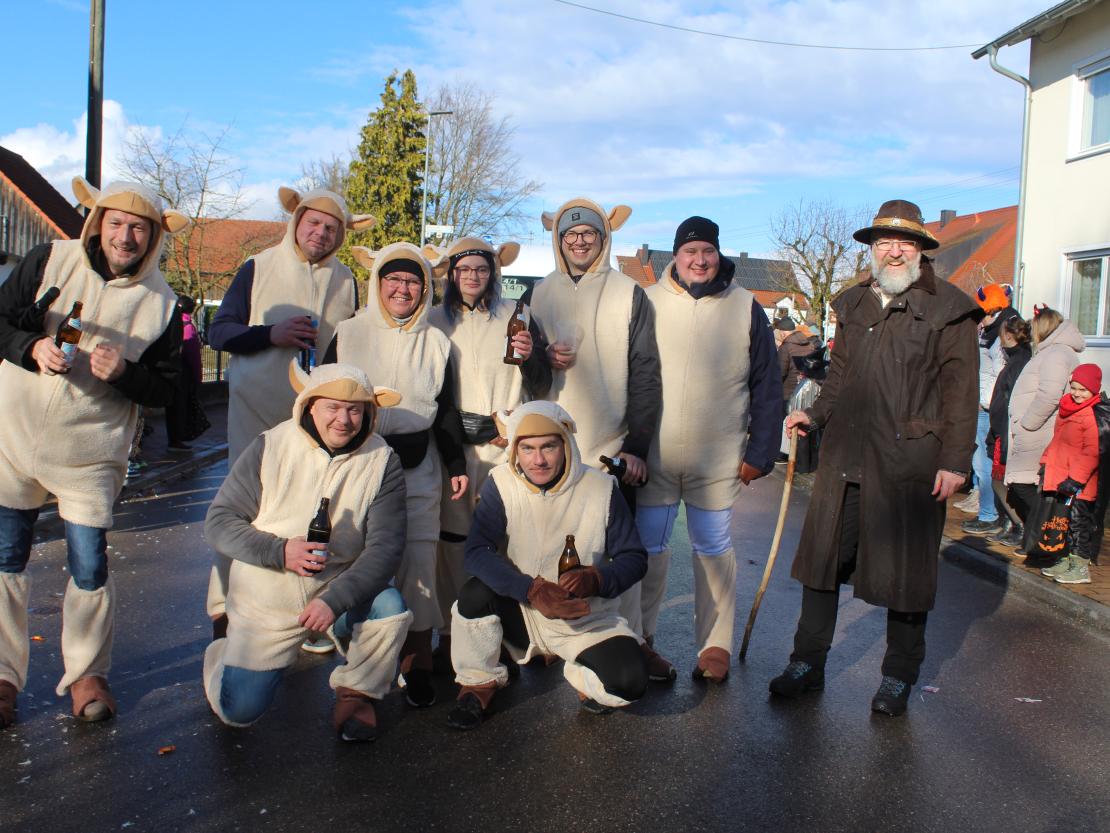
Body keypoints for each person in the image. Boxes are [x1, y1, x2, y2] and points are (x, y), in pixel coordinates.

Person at [769, 199, 980, 717]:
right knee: (820, 564)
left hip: (910, 462)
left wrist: (956, 462)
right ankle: (806, 663)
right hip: (846, 454)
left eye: (904, 242)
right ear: (872, 248)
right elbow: (839, 375)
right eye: (884, 242)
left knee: (907, 574)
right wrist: (814, 415)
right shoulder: (854, 303)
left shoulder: (950, 310)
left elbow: (962, 394)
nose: (893, 251)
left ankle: (898, 676)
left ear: (921, 250)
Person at [0, 178, 187, 728]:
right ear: (98, 223)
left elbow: (168, 390)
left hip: (89, 454)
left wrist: (124, 373)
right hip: (13, 438)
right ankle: (3, 677)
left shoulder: (162, 302)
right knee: (6, 559)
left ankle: (87, 675)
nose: (125, 237)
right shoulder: (49, 260)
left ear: (153, 236)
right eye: (116, 223)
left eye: (138, 228)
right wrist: (31, 347)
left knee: (88, 565)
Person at [203, 362, 411, 741]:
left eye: (355, 410)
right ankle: (222, 653)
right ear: (310, 405)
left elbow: (386, 548)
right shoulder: (270, 445)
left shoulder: (383, 460)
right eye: (333, 407)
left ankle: (356, 694)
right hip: (268, 598)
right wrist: (280, 551)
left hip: (336, 591)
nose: (343, 420)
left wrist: (335, 599)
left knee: (389, 607)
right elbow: (219, 522)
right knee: (239, 711)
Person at [205, 187, 374, 642]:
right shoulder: (258, 266)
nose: (321, 233)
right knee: (245, 508)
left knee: (309, 510)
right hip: (256, 411)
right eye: (313, 223)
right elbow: (217, 333)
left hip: (314, 421)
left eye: (331, 228)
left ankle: (300, 613)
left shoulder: (345, 279)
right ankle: (225, 611)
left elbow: (342, 348)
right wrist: (270, 334)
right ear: (296, 222)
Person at [634, 217, 781, 682]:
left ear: (719, 255)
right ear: (675, 256)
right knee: (648, 548)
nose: (699, 261)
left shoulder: (745, 306)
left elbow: (767, 384)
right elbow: (623, 372)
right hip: (654, 455)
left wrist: (761, 453)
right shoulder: (647, 301)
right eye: (690, 252)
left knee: (713, 549)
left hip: (718, 458)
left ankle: (715, 645)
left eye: (708, 252)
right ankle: (640, 638)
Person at [323, 243, 468, 707]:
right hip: (356, 462)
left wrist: (456, 464)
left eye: (412, 281)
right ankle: (362, 666)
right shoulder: (348, 333)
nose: (402, 289)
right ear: (378, 283)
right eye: (394, 279)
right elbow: (320, 397)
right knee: (358, 560)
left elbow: (446, 410)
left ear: (425, 289)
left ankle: (417, 658)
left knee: (419, 562)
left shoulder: (438, 343)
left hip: (417, 463)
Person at [446, 401, 648, 730]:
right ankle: (479, 682)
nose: (538, 460)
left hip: (582, 615)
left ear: (566, 444)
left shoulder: (601, 488)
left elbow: (634, 558)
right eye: (527, 448)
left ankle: (580, 670)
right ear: (515, 449)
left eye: (548, 447)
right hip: (522, 609)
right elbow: (477, 552)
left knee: (629, 684)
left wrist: (597, 578)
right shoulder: (500, 483)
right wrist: (531, 590)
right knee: (474, 593)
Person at [529, 198, 661, 668]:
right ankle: (549, 638)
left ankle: (631, 642)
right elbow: (527, 373)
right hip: (551, 445)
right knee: (547, 545)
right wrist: (541, 358)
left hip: (609, 444)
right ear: (558, 240)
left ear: (604, 239)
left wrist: (636, 447)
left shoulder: (629, 293)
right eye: (570, 234)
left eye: (589, 233)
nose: (580, 241)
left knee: (614, 553)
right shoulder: (540, 294)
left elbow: (646, 373)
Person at [426, 238, 551, 672]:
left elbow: (541, 382)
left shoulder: (517, 314)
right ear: (451, 274)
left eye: (481, 269)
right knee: (453, 543)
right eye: (464, 270)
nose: (473, 277)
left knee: (505, 543)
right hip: (457, 450)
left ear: (493, 273)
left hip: (507, 452)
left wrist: (531, 359)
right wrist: (471, 430)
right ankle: (450, 631)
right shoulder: (435, 320)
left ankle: (507, 633)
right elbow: (433, 392)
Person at [1003, 306, 1085, 561]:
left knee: (1026, 487)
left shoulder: (1057, 354)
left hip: (1039, 431)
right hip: (1035, 431)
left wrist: (1028, 423)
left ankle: (1046, 540)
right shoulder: (1052, 352)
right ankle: (1038, 540)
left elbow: (1049, 395)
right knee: (1027, 487)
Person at [1036, 364, 1106, 584]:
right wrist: (1045, 462)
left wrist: (1076, 479)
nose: (1077, 393)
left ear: (1094, 390)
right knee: (1064, 522)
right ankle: (1065, 559)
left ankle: (1080, 566)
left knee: (1078, 524)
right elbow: (1058, 440)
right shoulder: (1067, 408)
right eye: (1074, 387)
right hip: (1062, 478)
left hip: (1080, 485)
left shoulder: (1091, 415)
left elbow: (1092, 452)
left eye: (1083, 390)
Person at [960, 284, 1018, 534]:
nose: (978, 318)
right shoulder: (990, 332)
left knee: (985, 465)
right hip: (982, 404)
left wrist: (989, 402)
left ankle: (989, 515)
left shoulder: (1001, 336)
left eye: (981, 313)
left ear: (992, 310)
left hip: (989, 408)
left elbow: (1000, 376)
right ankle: (989, 512)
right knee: (981, 462)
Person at [984, 314, 1033, 548]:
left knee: (1001, 481)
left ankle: (1020, 524)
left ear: (1009, 336)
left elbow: (1011, 401)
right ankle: (1012, 523)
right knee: (999, 480)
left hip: (1007, 432)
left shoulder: (1020, 362)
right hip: (1001, 430)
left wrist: (1001, 434)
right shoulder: (1015, 360)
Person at [165, 294, 207, 450]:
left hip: (170, 371)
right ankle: (176, 440)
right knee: (181, 407)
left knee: (171, 408)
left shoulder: (168, 324)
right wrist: (198, 377)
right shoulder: (188, 327)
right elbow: (193, 356)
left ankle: (173, 438)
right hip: (184, 374)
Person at [777, 317, 812, 412]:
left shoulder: (785, 347)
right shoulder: (809, 345)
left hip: (788, 394)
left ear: (783, 333)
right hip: (806, 393)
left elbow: (780, 373)